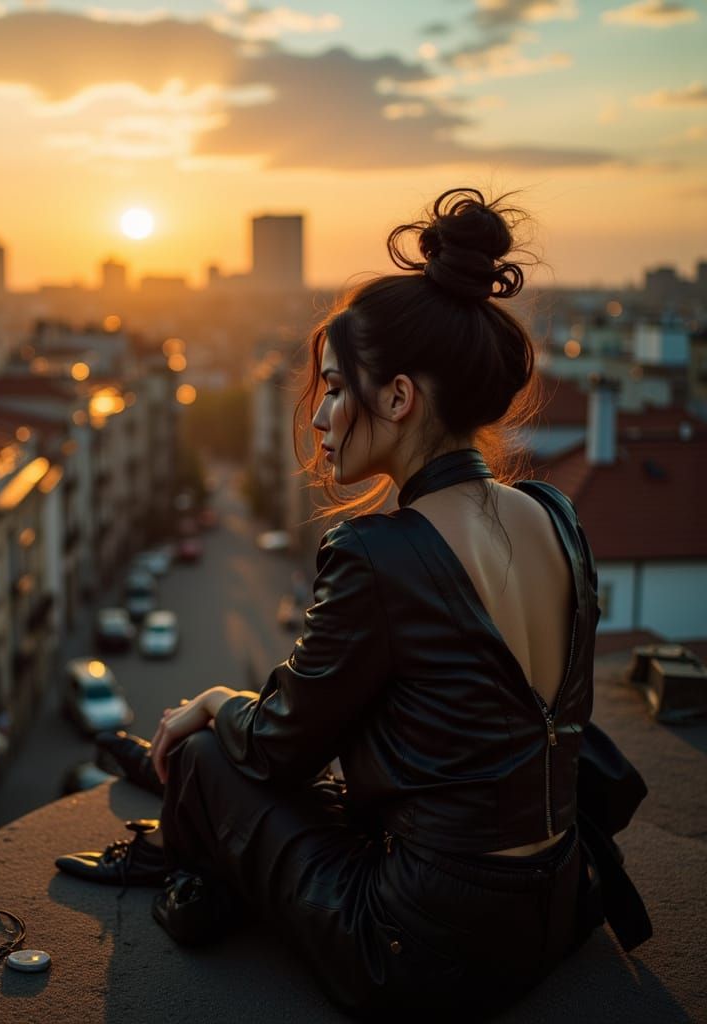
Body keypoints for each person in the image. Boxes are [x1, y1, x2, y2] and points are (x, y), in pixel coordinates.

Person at [56, 188, 650, 1019]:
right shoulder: (554, 515)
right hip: (558, 904)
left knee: (201, 758)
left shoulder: (380, 553)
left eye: (336, 389)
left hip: (420, 951)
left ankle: (191, 849)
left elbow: (275, 752)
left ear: (400, 398)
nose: (324, 418)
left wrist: (217, 703)